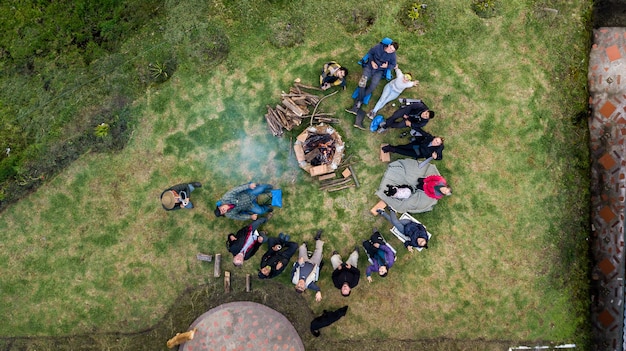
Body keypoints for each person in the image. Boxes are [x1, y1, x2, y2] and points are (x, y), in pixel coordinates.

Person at [346, 37, 399, 129]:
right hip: (370, 67)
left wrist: (387, 66)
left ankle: (357, 103)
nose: (390, 51)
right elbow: (370, 53)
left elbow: (393, 64)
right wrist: (372, 62)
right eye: (390, 48)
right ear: (389, 45)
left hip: (379, 71)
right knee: (362, 83)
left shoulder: (393, 56)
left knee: (373, 86)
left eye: (392, 51)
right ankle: (358, 103)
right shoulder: (378, 47)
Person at [291, 230, 325, 302]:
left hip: (304, 261)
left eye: (298, 286)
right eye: (302, 287)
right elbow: (317, 288)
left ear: (296, 285)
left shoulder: (293, 278)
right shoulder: (309, 284)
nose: (301, 284)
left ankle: (305, 246)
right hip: (314, 263)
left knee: (301, 247)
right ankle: (317, 239)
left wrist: (299, 263)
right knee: (319, 250)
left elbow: (294, 268)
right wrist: (318, 292)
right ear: (305, 288)